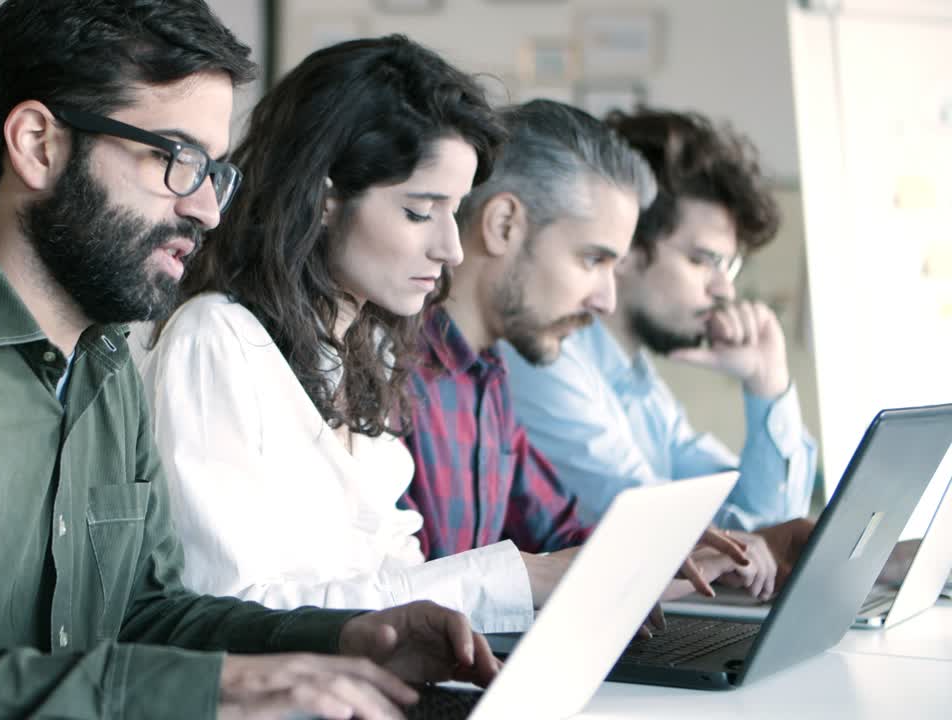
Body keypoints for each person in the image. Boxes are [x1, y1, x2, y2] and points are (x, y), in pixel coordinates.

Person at [0, 4, 499, 719]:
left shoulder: (106, 367)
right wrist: (211, 692)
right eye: (172, 159)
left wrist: (345, 639)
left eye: (214, 169)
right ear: (38, 145)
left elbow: (143, 612)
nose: (208, 207)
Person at [138, 35, 557, 634]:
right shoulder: (214, 341)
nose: (452, 249)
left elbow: (393, 576)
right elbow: (231, 615)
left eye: (454, 211)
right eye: (419, 211)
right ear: (325, 197)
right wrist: (519, 578)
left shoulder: (366, 350)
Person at [404, 99, 780, 603]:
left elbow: (566, 540)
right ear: (503, 226)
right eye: (592, 259)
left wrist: (692, 558)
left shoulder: (487, 377)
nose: (606, 300)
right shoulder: (392, 378)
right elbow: (398, 601)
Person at [503, 108, 816, 535]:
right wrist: (771, 540)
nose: (724, 290)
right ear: (626, 247)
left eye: (730, 266)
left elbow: (771, 518)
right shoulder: (544, 358)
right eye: (702, 261)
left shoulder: (636, 377)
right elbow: (656, 530)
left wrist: (768, 384)